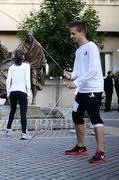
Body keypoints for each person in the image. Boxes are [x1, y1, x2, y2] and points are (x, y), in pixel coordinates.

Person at [63, 21, 106, 163]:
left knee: (95, 118)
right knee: (76, 115)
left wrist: (76, 82)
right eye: (71, 33)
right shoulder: (78, 50)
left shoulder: (92, 47)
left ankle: (101, 152)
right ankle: (81, 147)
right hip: (82, 90)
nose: (71, 36)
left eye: (73, 33)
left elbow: (93, 70)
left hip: (93, 89)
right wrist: (71, 75)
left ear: (82, 32)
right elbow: (78, 72)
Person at [5, 49, 31, 140]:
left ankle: (8, 129)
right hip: (22, 92)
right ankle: (24, 133)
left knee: (12, 110)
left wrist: (8, 93)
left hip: (13, 92)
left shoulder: (11, 67)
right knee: (23, 113)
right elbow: (27, 80)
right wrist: (29, 93)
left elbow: (8, 81)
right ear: (23, 57)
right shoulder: (26, 66)